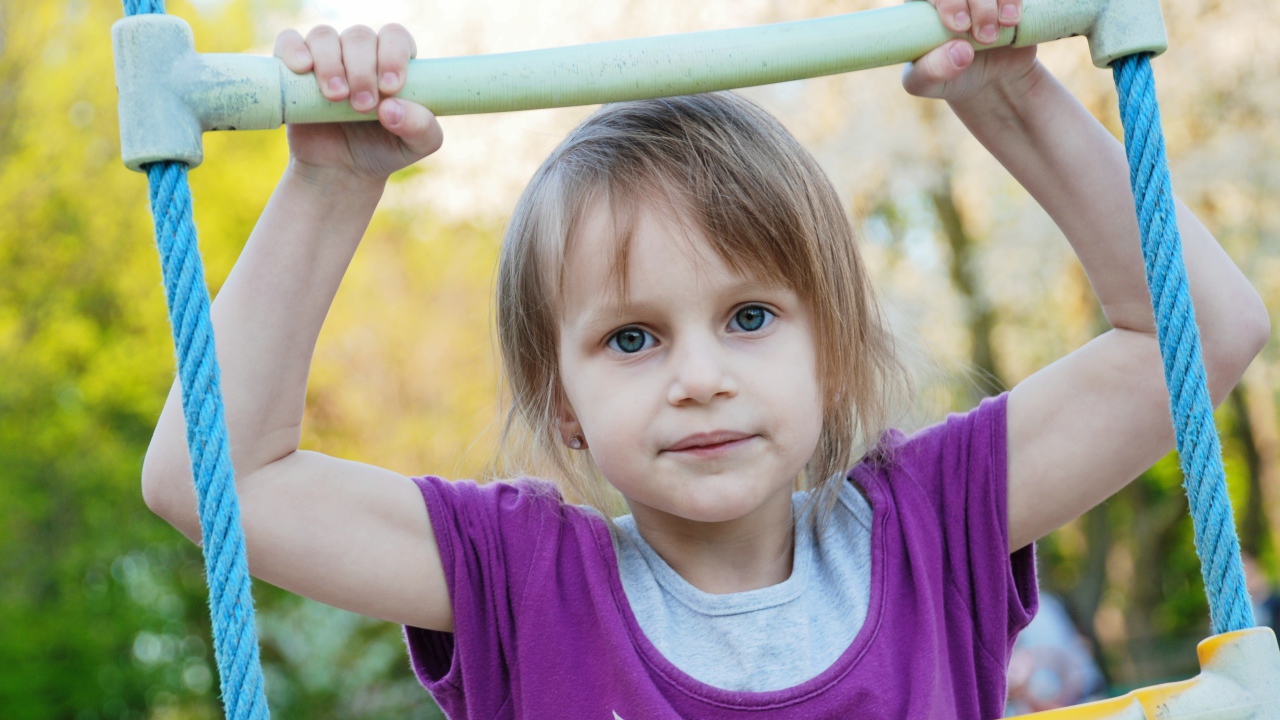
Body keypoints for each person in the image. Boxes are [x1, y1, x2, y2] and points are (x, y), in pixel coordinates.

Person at [139, 0, 1270, 716]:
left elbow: (1199, 333)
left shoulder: (930, 524)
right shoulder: (525, 579)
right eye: (630, 338)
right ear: (563, 403)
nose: (699, 377)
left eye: (750, 317)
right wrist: (329, 186)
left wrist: (1009, 92)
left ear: (833, 353)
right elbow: (211, 483)